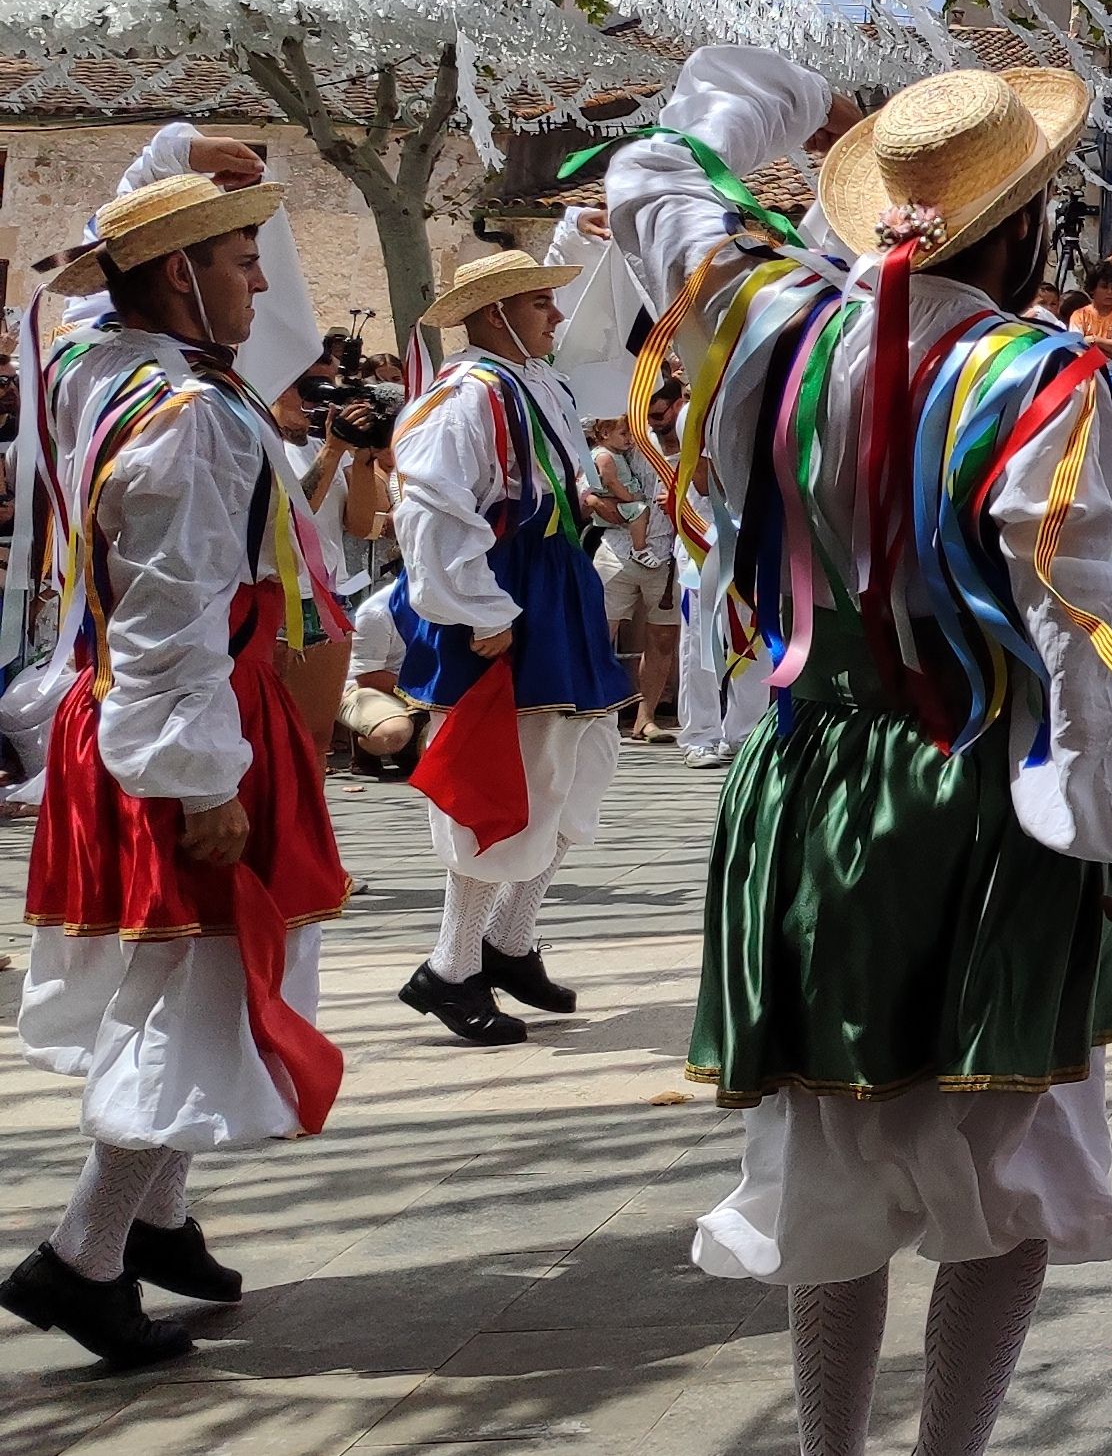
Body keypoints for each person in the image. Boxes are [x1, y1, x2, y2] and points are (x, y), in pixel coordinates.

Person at [603, 50, 1112, 1456]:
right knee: (1004, 1158)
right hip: (982, 791)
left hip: (809, 780)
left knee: (834, 1155)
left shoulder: (765, 328)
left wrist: (766, 91)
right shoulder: (1041, 380)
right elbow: (1082, 621)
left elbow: (650, 180)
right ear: (1029, 229)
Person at [9, 167, 352, 1371]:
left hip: (138, 714)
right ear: (178, 273)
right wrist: (203, 778)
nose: (263, 279)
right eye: (243, 256)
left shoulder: (96, 370)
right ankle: (84, 1255)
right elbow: (174, 603)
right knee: (200, 992)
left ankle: (156, 1222)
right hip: (188, 720)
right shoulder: (189, 413)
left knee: (190, 978)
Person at [389, 247, 629, 1048]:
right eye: (539, 305)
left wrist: (583, 498)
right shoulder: (467, 395)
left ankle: (510, 940)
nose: (555, 317)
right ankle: (452, 964)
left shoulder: (535, 386)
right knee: (506, 775)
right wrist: (478, 607)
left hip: (556, 586)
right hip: (515, 596)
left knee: (580, 760)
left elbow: (526, 484)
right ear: (497, 314)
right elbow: (429, 503)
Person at [587, 414, 676, 746]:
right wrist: (591, 497)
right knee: (600, 633)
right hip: (616, 549)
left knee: (663, 638)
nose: (657, 415)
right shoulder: (626, 437)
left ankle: (646, 718)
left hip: (665, 551)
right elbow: (587, 473)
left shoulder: (688, 435)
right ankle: (597, 716)